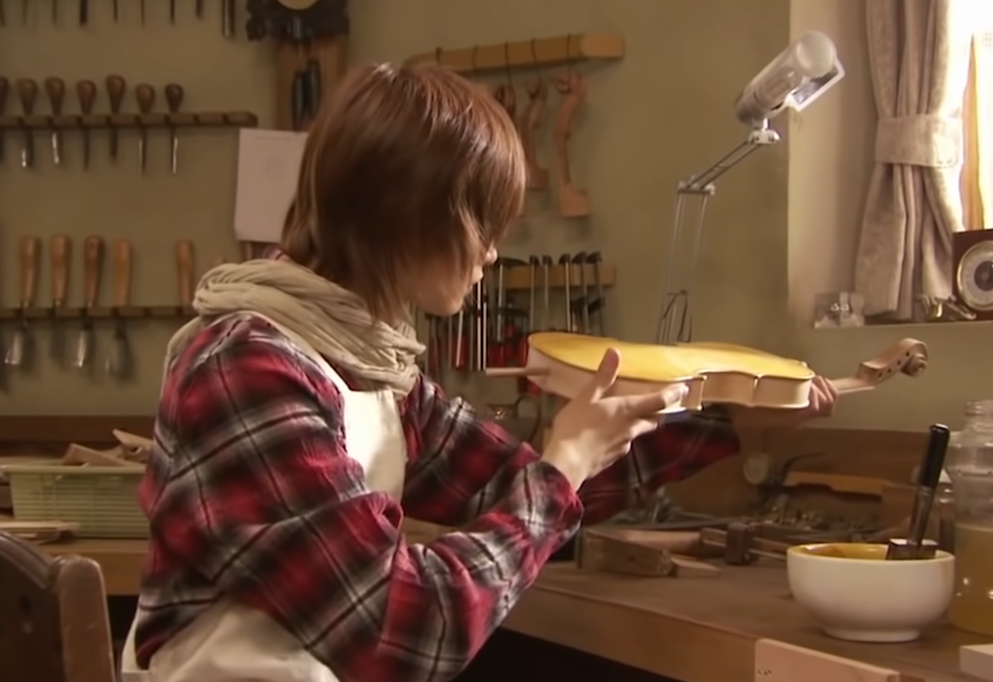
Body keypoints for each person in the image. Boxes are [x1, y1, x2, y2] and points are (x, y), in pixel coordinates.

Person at [119, 62, 838, 682]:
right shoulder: (248, 370)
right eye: (482, 224)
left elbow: (518, 482)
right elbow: (408, 629)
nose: (491, 253)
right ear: (408, 216)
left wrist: (729, 421)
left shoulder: (370, 363)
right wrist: (563, 466)